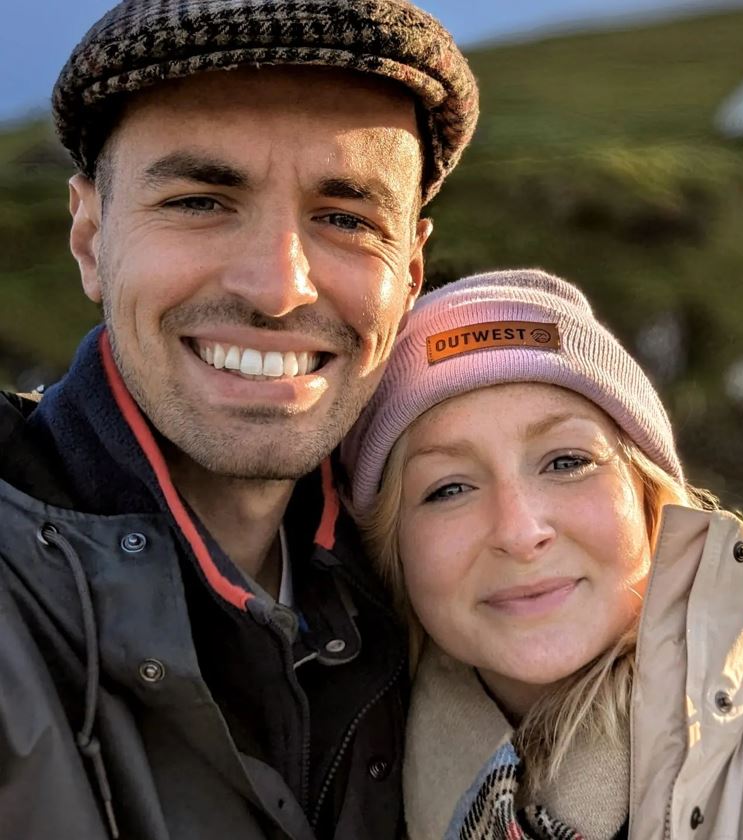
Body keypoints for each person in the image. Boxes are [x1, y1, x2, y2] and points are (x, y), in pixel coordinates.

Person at [0, 2, 477, 838]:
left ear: (410, 271)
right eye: (200, 201)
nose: (277, 286)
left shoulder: (470, 587)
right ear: (89, 238)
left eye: (345, 218)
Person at [341, 269, 743, 840]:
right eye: (449, 488)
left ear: (650, 498)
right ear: (393, 551)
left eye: (566, 462)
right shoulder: (345, 780)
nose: (520, 531)